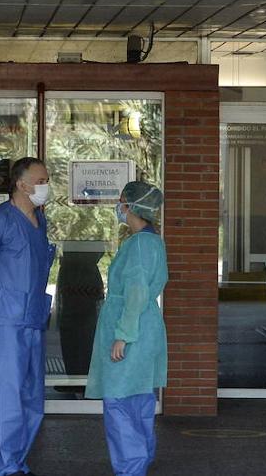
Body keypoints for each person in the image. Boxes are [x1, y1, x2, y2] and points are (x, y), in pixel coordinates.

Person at [0, 156, 56, 476]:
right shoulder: (0, 219)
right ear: (22, 185)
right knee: (9, 393)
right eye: (41, 181)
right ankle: (5, 466)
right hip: (6, 319)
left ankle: (18, 460)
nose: (46, 187)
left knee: (32, 394)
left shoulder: (39, 220)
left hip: (32, 316)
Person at [85, 181, 169, 476]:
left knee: (119, 401)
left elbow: (135, 293)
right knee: (138, 398)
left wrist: (123, 335)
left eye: (121, 201)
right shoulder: (149, 241)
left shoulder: (139, 246)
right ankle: (139, 460)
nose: (118, 207)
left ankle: (131, 467)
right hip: (143, 329)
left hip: (132, 332)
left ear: (131, 207)